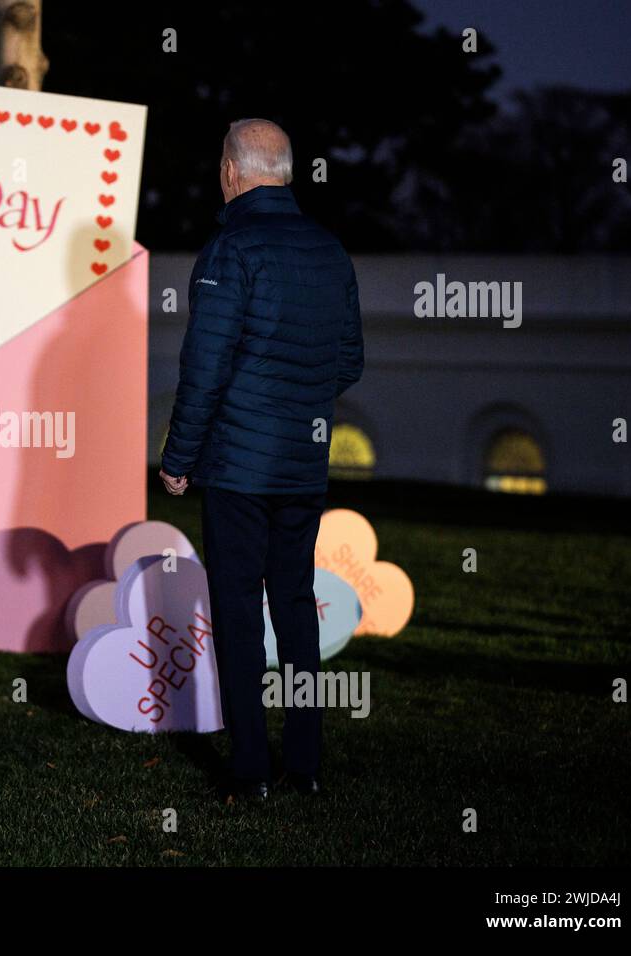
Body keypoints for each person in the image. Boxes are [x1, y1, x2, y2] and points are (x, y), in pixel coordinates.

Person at [159, 118, 364, 803]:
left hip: (238, 469)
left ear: (230, 171)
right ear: (287, 172)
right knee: (298, 606)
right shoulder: (331, 251)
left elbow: (205, 366)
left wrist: (178, 455)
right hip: (303, 465)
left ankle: (250, 771)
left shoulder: (229, 250)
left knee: (240, 612)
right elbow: (348, 361)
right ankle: (303, 766)